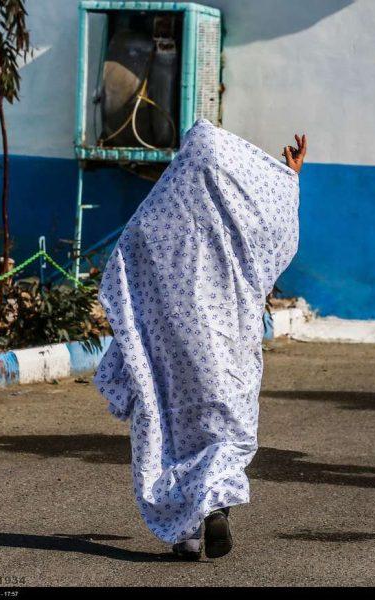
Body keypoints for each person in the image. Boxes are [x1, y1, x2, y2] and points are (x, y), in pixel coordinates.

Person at [94, 119, 307, 560]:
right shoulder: (240, 219)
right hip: (227, 344)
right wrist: (290, 180)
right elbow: (278, 242)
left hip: (171, 348)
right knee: (227, 429)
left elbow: (125, 262)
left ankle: (185, 535)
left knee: (168, 429)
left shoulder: (163, 211)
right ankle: (216, 507)